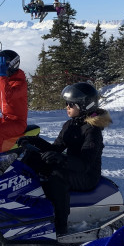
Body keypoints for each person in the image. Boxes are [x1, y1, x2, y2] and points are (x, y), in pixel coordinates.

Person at [22, 82, 111, 236]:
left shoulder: (92, 131)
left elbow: (85, 163)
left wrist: (61, 159)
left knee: (56, 177)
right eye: (66, 103)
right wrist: (33, 141)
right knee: (32, 161)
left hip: (87, 174)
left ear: (84, 106)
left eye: (70, 104)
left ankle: (60, 227)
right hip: (70, 165)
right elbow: (56, 148)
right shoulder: (70, 124)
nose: (66, 107)